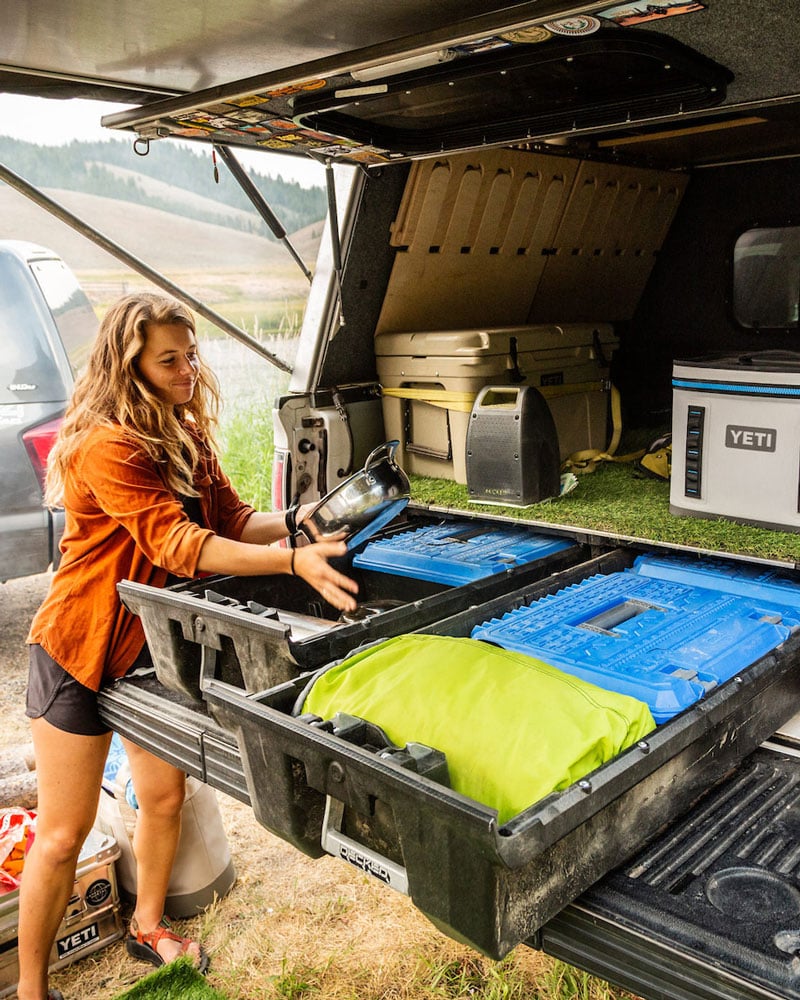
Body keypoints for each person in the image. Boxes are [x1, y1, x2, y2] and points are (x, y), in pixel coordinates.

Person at [17, 292, 359, 1000]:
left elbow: (230, 517)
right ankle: (30, 989)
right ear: (128, 364)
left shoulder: (183, 431)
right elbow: (178, 544)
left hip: (149, 647)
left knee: (165, 796)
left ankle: (147, 924)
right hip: (80, 648)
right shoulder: (106, 443)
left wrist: (302, 520)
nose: (186, 368)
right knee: (61, 834)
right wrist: (294, 563)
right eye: (168, 358)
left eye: (190, 353)